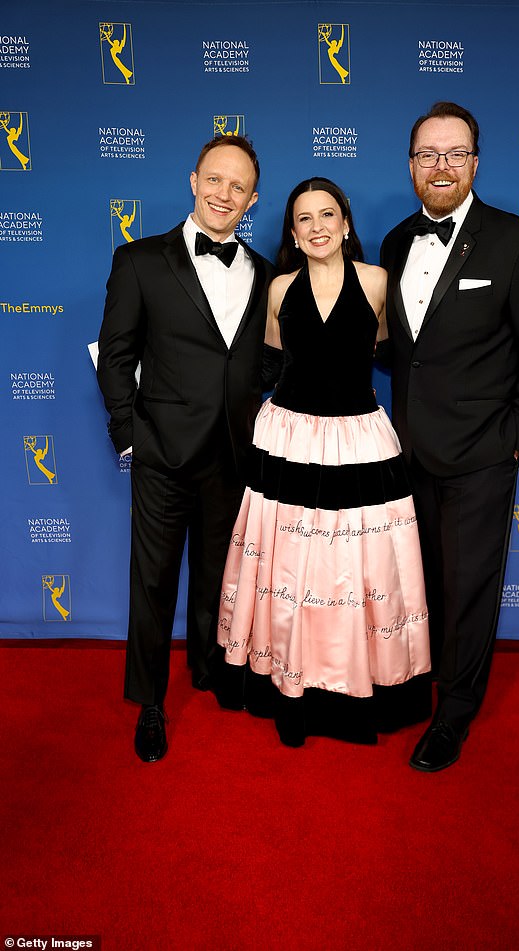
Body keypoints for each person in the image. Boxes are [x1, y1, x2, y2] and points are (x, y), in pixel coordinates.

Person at [212, 177, 431, 747]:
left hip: (360, 438)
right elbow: (267, 362)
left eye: (326, 215)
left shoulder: (379, 283)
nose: (317, 227)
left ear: (346, 223)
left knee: (359, 571)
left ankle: (358, 683)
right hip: (290, 439)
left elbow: (387, 349)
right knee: (291, 571)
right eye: (304, 219)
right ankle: (287, 683)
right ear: (292, 232)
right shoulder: (280, 290)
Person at [381, 102, 519, 772]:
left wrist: (515, 436)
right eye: (428, 154)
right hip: (408, 453)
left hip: (483, 453)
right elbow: (403, 347)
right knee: (420, 585)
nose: (441, 166)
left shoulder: (517, 243)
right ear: (410, 165)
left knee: (469, 590)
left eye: (455, 153)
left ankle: (453, 716)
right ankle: (416, 687)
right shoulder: (397, 241)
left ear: (476, 163)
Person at [97, 136, 274, 762]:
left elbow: (264, 366)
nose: (224, 194)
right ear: (192, 180)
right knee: (152, 581)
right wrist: (131, 437)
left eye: (239, 187)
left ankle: (208, 669)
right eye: (215, 180)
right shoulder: (141, 260)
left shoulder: (267, 274)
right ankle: (149, 702)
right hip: (162, 454)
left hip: (233, 454)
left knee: (218, 578)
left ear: (252, 200)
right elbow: (115, 357)